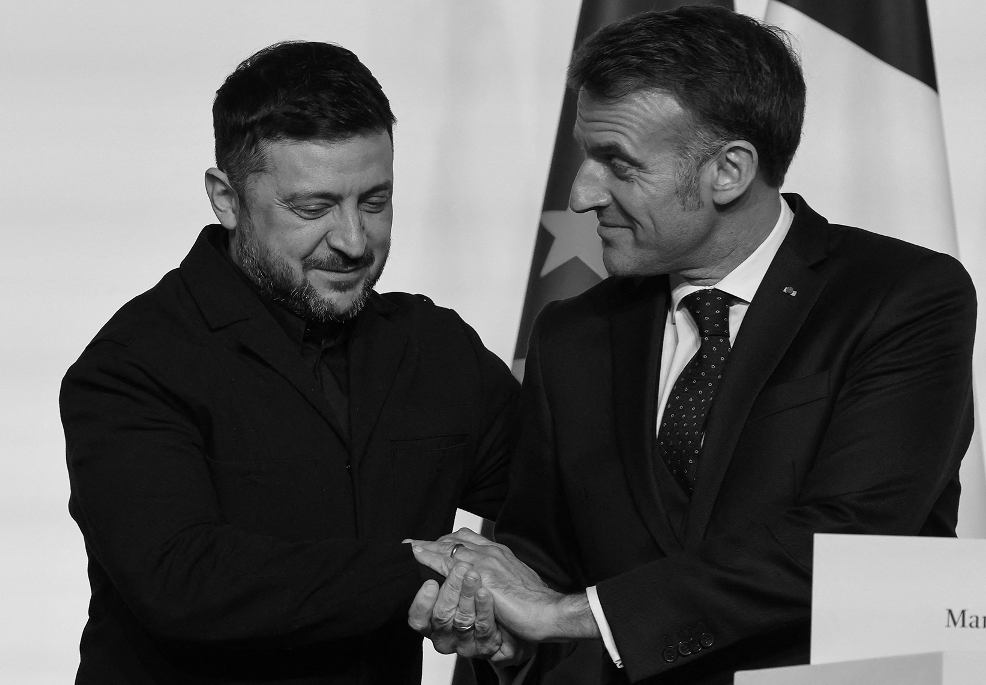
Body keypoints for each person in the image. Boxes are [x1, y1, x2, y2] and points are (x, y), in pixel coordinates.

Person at [407, 6, 976, 685]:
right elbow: (539, 566)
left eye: (617, 162)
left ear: (729, 171)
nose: (582, 192)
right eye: (588, 154)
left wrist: (572, 614)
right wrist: (505, 636)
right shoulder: (573, 335)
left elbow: (848, 544)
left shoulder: (902, 297)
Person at [59, 41, 519, 684]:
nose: (354, 240)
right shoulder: (133, 366)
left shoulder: (432, 347)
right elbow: (181, 578)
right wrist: (417, 575)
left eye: (376, 202)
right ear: (226, 199)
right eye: (314, 208)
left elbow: (559, 494)